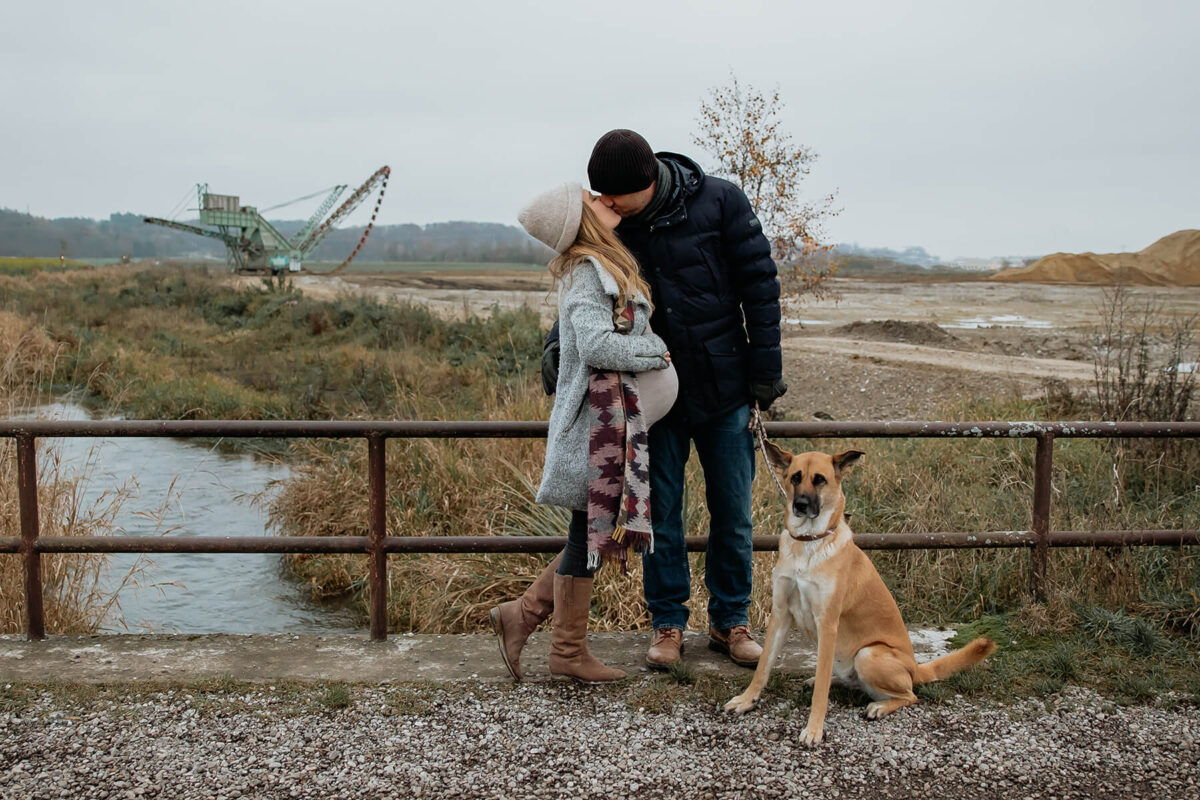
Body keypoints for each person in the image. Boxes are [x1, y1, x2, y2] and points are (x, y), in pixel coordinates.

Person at [545, 129, 787, 670]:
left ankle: (732, 622)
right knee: (661, 515)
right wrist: (557, 352)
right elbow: (585, 297)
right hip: (654, 397)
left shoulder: (720, 200)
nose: (605, 205)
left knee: (734, 512)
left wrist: (765, 375)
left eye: (614, 197)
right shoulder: (613, 227)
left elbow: (761, 286)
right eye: (599, 195)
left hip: (726, 390)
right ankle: (669, 624)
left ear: (647, 182)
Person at [491, 181, 677, 683]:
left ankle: (531, 623)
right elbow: (596, 345)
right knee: (586, 534)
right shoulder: (590, 274)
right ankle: (559, 647)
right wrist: (656, 353)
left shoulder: (600, 266)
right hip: (595, 430)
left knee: (585, 533)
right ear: (582, 218)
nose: (604, 197)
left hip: (608, 426)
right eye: (592, 198)